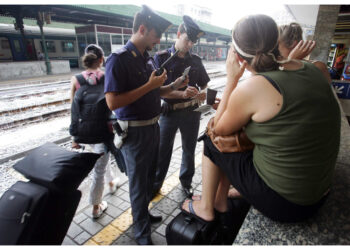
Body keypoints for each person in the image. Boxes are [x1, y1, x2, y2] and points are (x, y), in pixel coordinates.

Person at [182, 14, 340, 225]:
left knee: (211, 140)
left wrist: (232, 80)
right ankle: (224, 197)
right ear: (276, 41)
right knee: (247, 133)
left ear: (238, 57)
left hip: (287, 205)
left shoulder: (254, 87)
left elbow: (218, 129)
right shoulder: (314, 69)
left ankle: (206, 208)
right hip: (320, 192)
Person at [104, 5, 188, 245]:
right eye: (156, 35)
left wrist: (175, 86)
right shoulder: (118, 60)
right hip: (136, 131)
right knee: (139, 184)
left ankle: (143, 213)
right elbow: (112, 102)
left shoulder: (146, 58)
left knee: (149, 177)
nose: (158, 40)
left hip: (153, 127)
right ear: (142, 29)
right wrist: (150, 86)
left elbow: (155, 91)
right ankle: (141, 232)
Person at [152, 15, 210, 198]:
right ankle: (155, 184)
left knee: (189, 149)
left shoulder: (196, 61)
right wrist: (181, 94)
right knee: (162, 151)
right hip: (169, 113)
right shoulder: (161, 59)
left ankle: (186, 183)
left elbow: (205, 85)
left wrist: (203, 94)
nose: (190, 45)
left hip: (192, 113)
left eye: (193, 42)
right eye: (187, 40)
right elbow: (156, 90)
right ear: (178, 34)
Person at [70, 44, 121, 219]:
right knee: (98, 169)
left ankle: (112, 182)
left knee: (101, 161)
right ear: (101, 59)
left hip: (84, 133)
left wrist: (74, 137)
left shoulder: (76, 79)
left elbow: (74, 110)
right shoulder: (107, 77)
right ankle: (95, 207)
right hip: (101, 132)